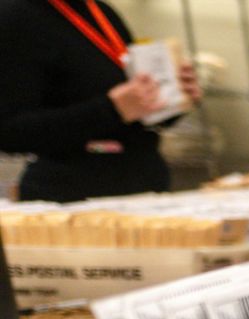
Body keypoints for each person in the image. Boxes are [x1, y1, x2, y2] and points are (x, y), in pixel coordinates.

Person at [0, 0, 201, 202]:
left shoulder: (100, 11)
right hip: (70, 199)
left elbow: (130, 113)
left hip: (143, 188)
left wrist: (171, 97)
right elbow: (9, 132)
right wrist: (112, 109)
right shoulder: (15, 15)